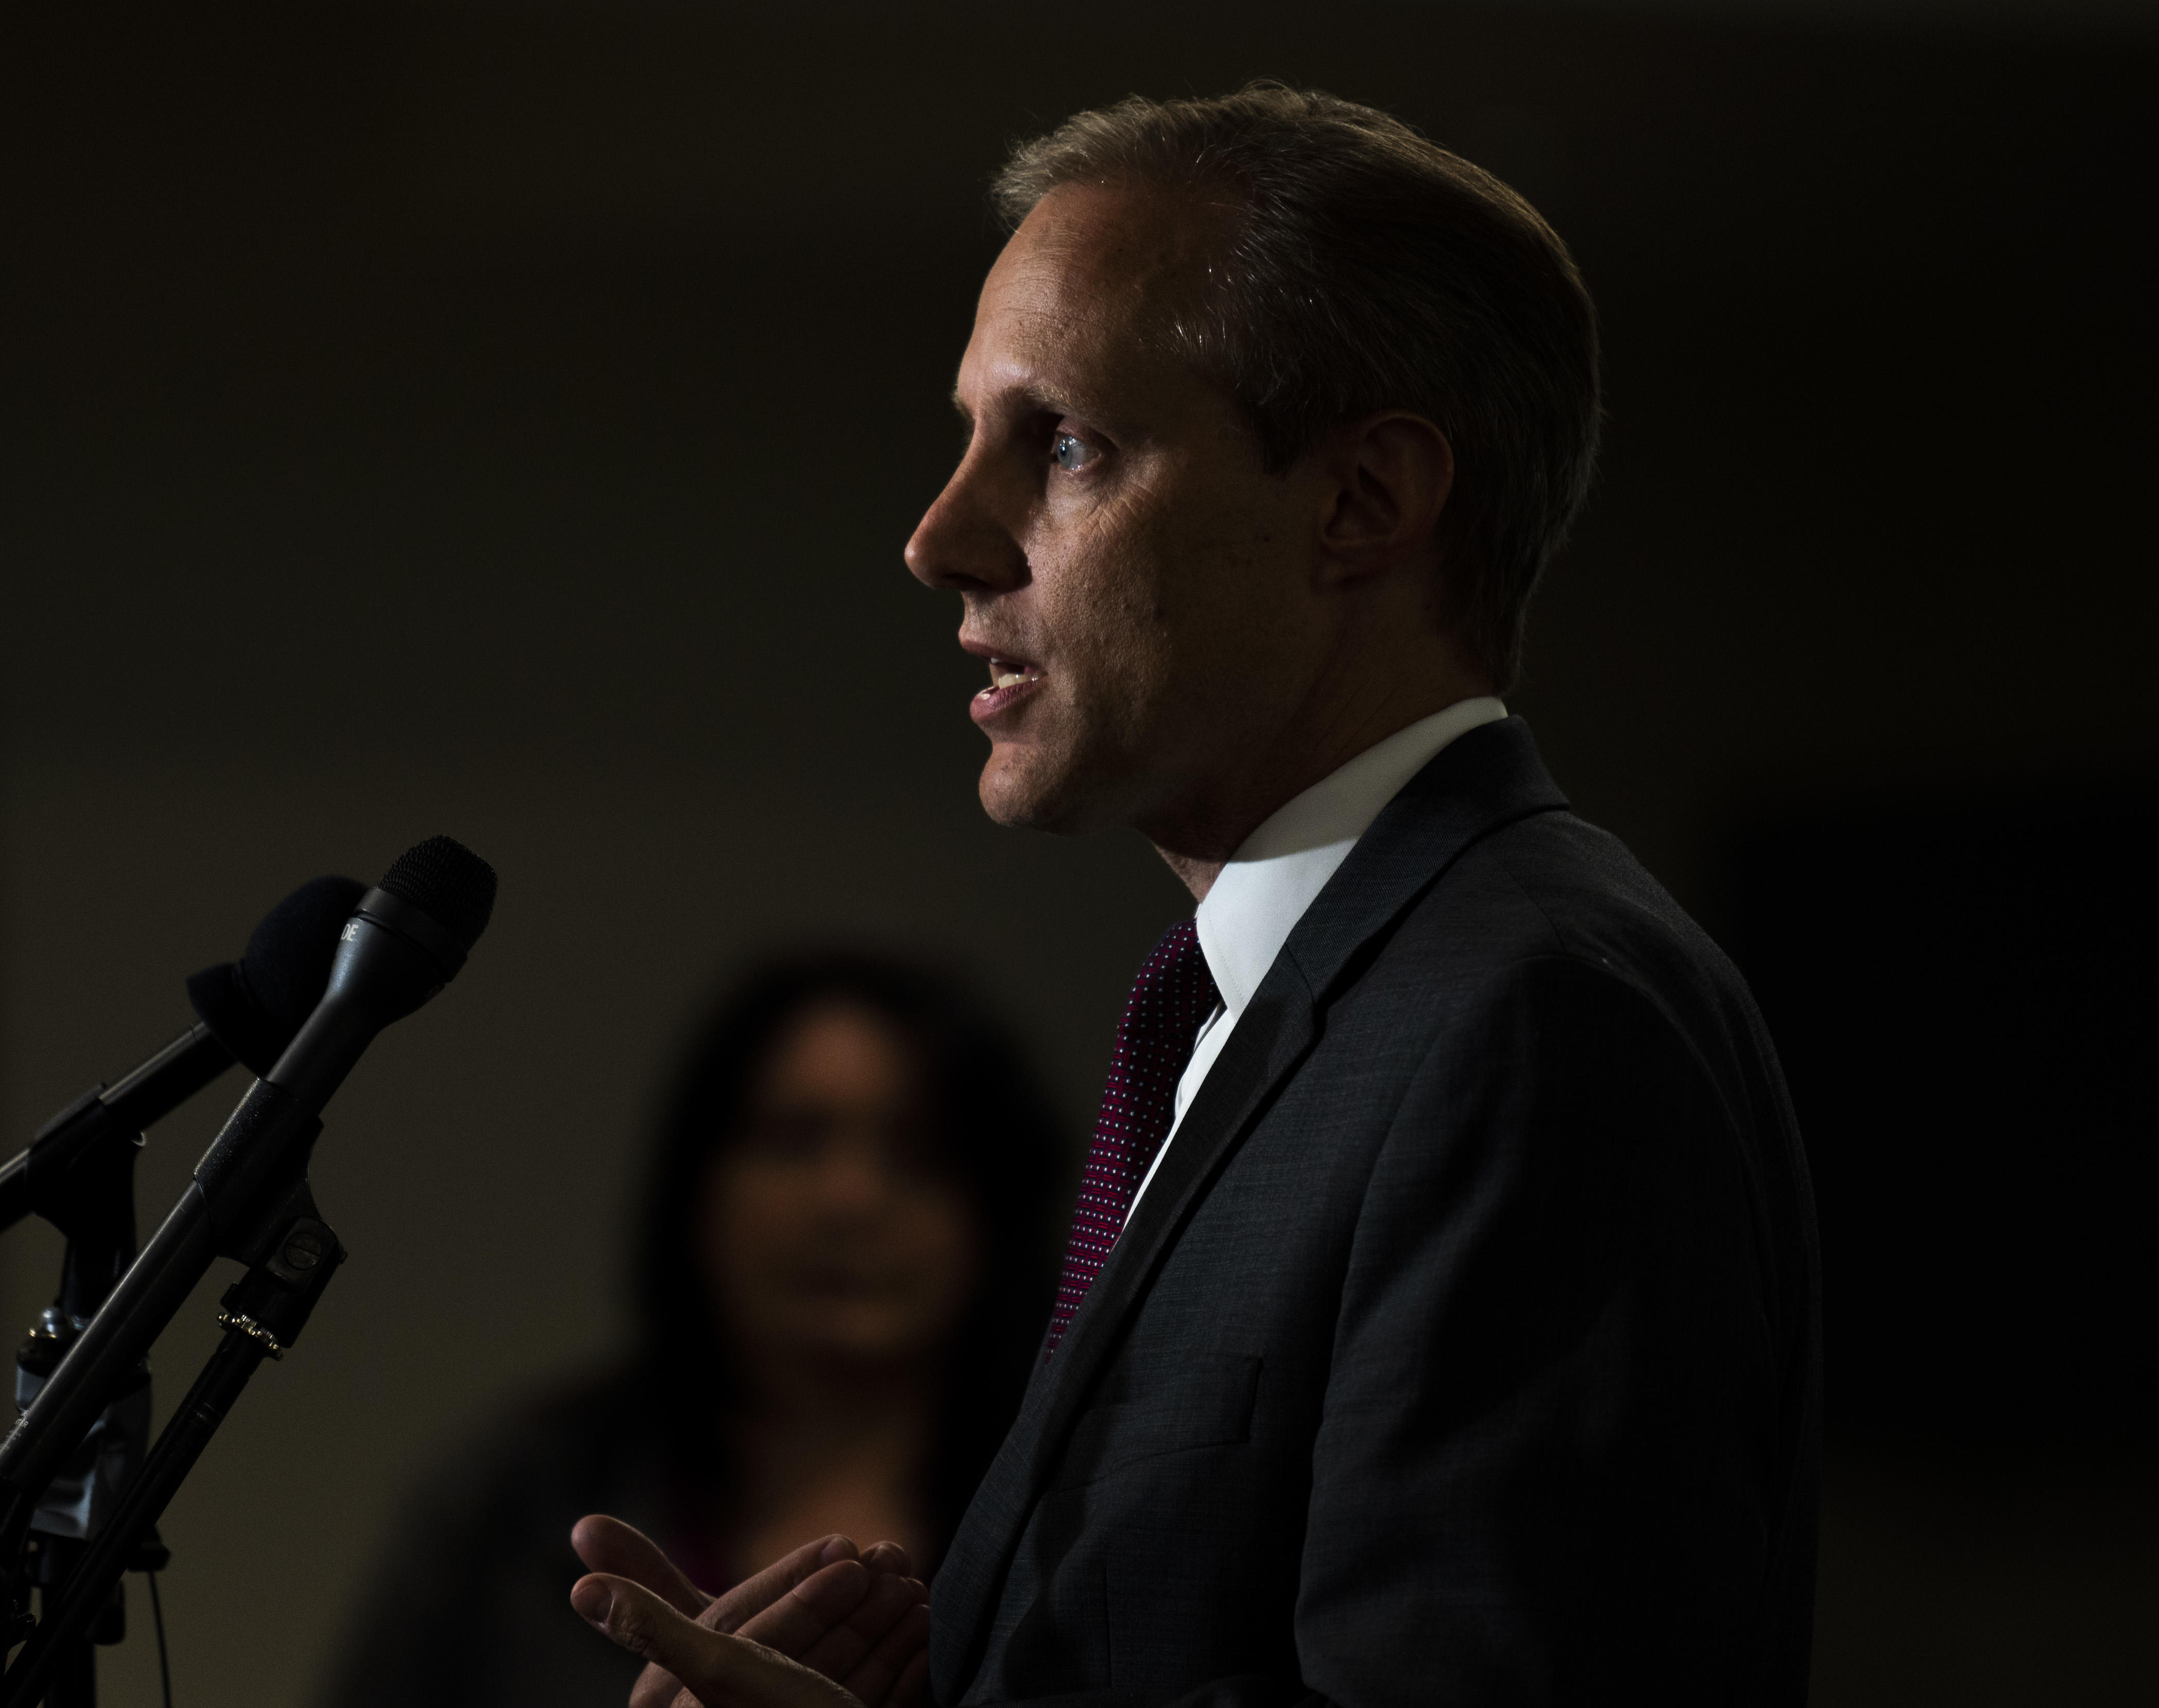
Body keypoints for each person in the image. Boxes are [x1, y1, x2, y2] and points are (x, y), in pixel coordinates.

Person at [563, 84, 1821, 1708]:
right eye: (966, 441)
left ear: (1362, 503)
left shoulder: (1526, 1015)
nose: (941, 538)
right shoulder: (1304, 1004)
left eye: (1065, 443)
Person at [320, 951, 1067, 1708]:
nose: (851, 1199)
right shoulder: (513, 1498)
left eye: (918, 1152)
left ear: (995, 1207)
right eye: (794, 1138)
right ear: (698, 1186)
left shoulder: (1084, 1504)